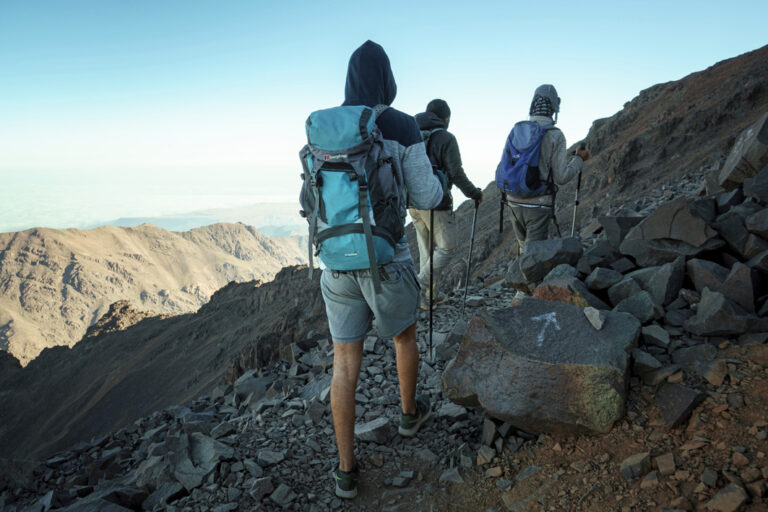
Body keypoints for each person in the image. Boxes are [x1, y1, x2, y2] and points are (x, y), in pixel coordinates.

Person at [317, 41, 443, 499]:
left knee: (345, 364)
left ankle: (346, 471)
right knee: (402, 336)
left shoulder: (327, 130)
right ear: (387, 78)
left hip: (335, 264)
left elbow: (310, 203)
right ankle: (410, 415)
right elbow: (427, 197)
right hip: (388, 258)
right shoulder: (401, 125)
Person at [408, 99, 483, 309]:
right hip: (435, 202)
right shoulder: (446, 138)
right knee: (447, 247)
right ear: (446, 118)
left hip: (412, 202)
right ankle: (417, 287)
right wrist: (474, 193)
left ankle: (428, 297)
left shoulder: (412, 135)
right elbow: (455, 172)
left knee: (426, 249)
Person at [503, 84, 590, 253]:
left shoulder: (517, 130)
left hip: (513, 199)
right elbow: (561, 177)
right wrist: (579, 159)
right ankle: (529, 278)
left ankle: (519, 277)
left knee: (523, 250)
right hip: (538, 203)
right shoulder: (555, 135)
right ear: (554, 107)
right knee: (533, 256)